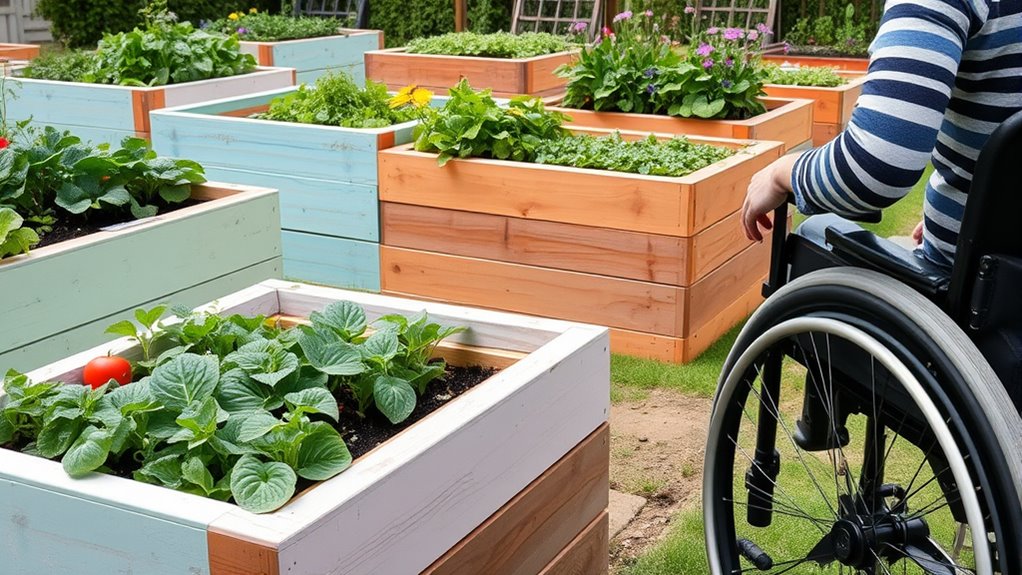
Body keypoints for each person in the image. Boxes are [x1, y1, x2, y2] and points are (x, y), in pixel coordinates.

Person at [742, 0, 1022, 267]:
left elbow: (876, 165)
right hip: (999, 252)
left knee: (813, 233)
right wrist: (979, 215)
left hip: (986, 287)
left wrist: (781, 173)